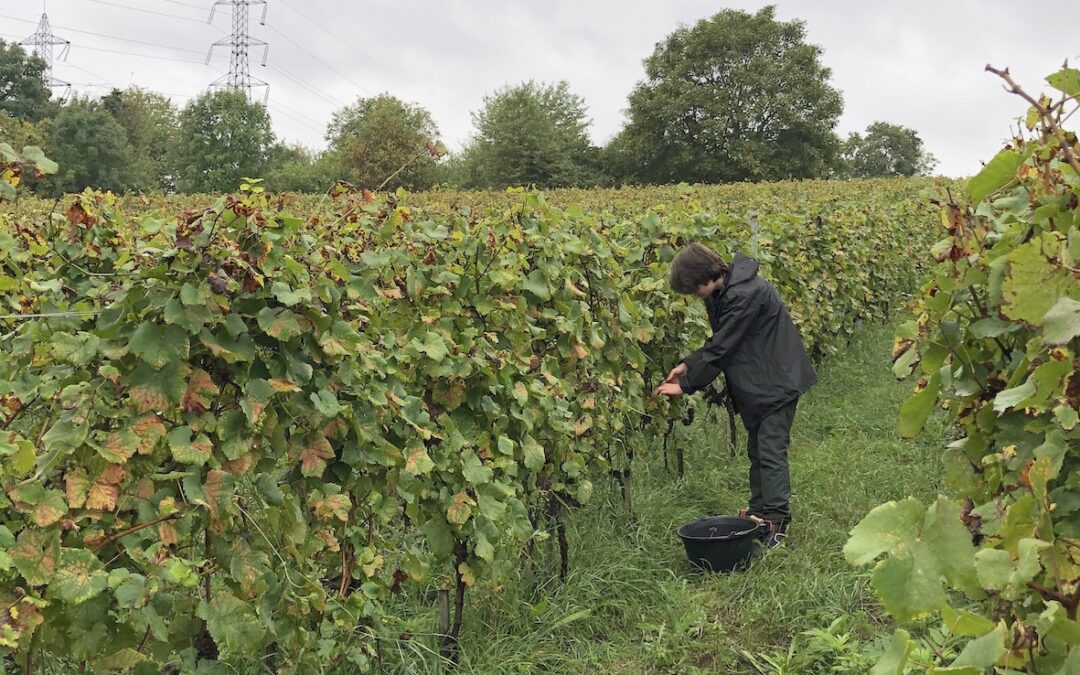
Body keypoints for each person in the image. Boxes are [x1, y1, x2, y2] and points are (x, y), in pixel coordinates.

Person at [653, 243, 816, 548]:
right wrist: (688, 364)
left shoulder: (744, 294)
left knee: (770, 452)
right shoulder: (724, 291)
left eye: (692, 289)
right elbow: (722, 340)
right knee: (757, 451)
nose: (693, 296)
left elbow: (724, 346)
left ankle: (777, 522)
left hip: (777, 381)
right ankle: (758, 514)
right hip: (761, 380)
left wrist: (687, 383)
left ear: (704, 276)